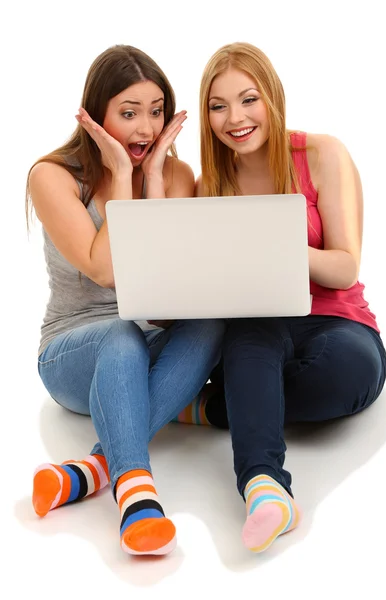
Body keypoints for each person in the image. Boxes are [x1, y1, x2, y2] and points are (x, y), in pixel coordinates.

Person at [27, 44, 225, 557]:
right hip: (72, 351)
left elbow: (160, 299)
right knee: (121, 332)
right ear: (97, 114)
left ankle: (91, 467)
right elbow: (107, 269)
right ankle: (136, 492)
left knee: (210, 325)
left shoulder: (178, 176)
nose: (145, 129)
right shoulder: (52, 176)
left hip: (146, 334)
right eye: (129, 113)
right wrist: (120, 176)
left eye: (156, 112)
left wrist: (154, 180)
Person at [192, 41, 386, 553]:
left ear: (273, 98)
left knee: (347, 377)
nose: (235, 118)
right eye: (218, 106)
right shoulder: (211, 183)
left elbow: (345, 266)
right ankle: (266, 490)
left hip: (335, 320)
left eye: (248, 99)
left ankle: (210, 409)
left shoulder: (320, 153)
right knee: (249, 347)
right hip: (260, 320)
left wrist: (275, 242)